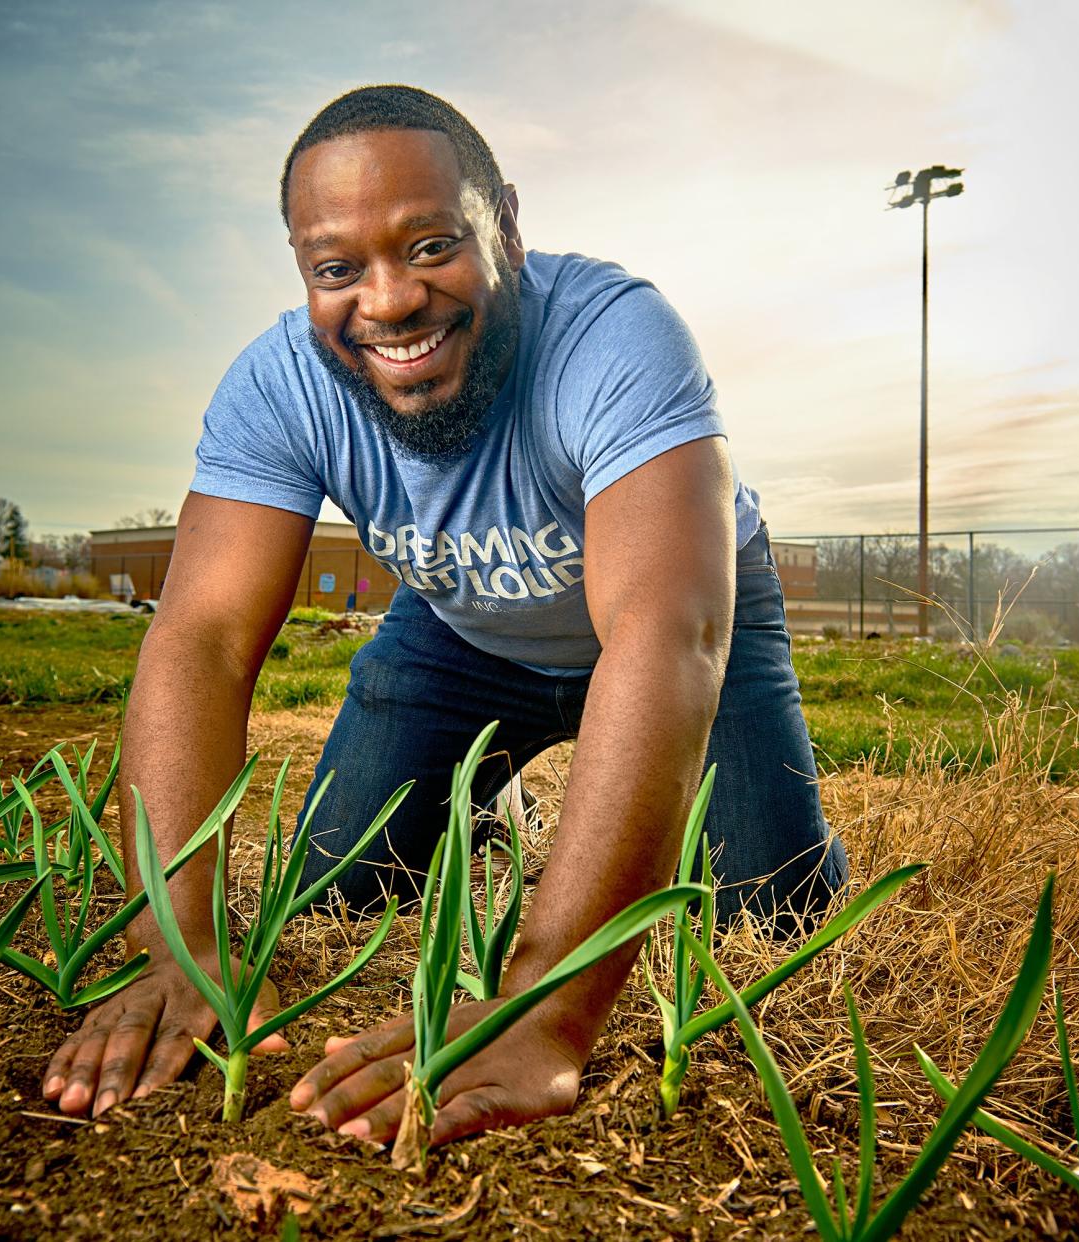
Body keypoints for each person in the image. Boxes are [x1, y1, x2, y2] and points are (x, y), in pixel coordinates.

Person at [41, 85, 846, 1147]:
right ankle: (482, 804)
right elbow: (202, 638)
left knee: (769, 914)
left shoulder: (619, 335)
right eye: (338, 269)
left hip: (691, 629)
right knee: (341, 883)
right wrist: (176, 947)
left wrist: (543, 1010)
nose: (387, 302)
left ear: (503, 224)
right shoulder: (279, 385)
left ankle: (732, 844)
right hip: (460, 635)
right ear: (304, 271)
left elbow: (667, 637)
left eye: (430, 246)